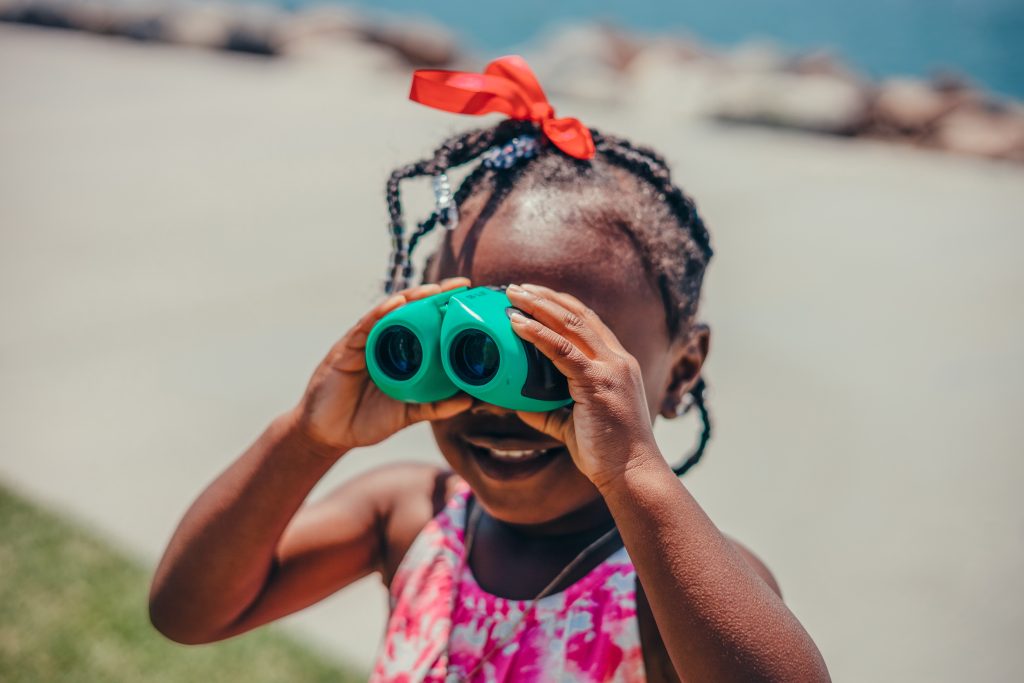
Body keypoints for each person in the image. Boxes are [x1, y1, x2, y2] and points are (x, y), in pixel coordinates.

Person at [149, 56, 830, 682]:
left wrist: (632, 473)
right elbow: (189, 611)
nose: (502, 400)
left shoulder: (674, 586)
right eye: (468, 349)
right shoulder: (414, 515)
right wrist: (308, 435)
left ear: (681, 371)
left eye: (561, 356)